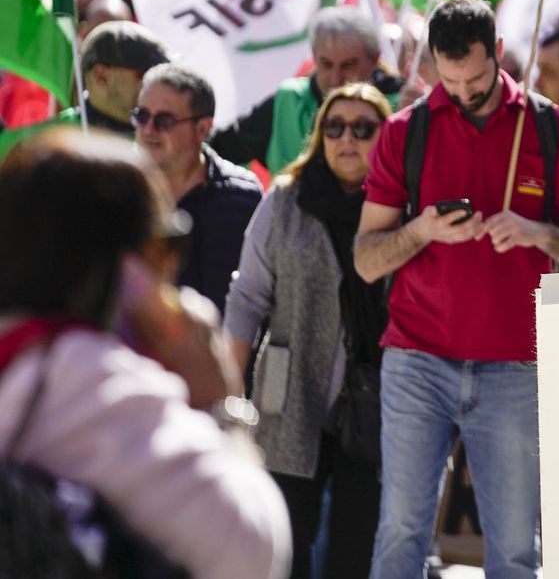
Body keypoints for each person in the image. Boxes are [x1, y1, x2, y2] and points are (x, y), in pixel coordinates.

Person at [355, 0, 559, 579]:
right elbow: (366, 260)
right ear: (433, 65)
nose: (464, 92)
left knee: (515, 547)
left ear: (498, 52)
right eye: (451, 80)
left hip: (514, 366)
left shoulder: (546, 125)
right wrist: (422, 229)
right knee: (400, 531)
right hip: (416, 360)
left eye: (476, 79)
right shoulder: (406, 131)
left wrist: (538, 232)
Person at [0, 130, 290, 579]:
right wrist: (220, 407)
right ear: (128, 265)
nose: (170, 267)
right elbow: (251, 550)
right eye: (164, 242)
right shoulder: (92, 382)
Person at [225, 83, 393, 579]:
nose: (347, 139)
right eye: (334, 127)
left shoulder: (400, 209)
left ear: (386, 137)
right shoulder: (284, 201)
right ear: (319, 136)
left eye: (363, 128)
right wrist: (229, 386)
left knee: (356, 544)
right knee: (285, 539)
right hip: (291, 394)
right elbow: (247, 297)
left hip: (375, 397)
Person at [212, 7, 404, 174]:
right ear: (314, 57)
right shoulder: (288, 101)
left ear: (374, 59)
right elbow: (219, 149)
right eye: (326, 64)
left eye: (348, 65)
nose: (336, 79)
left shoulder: (403, 106)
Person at [136, 62, 263, 312]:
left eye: (164, 120)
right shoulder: (116, 192)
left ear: (202, 129)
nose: (148, 129)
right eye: (142, 116)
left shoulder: (243, 197)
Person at [0, 19, 172, 158]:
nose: (156, 83)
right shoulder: (35, 148)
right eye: (143, 75)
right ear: (102, 77)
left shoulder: (173, 140)